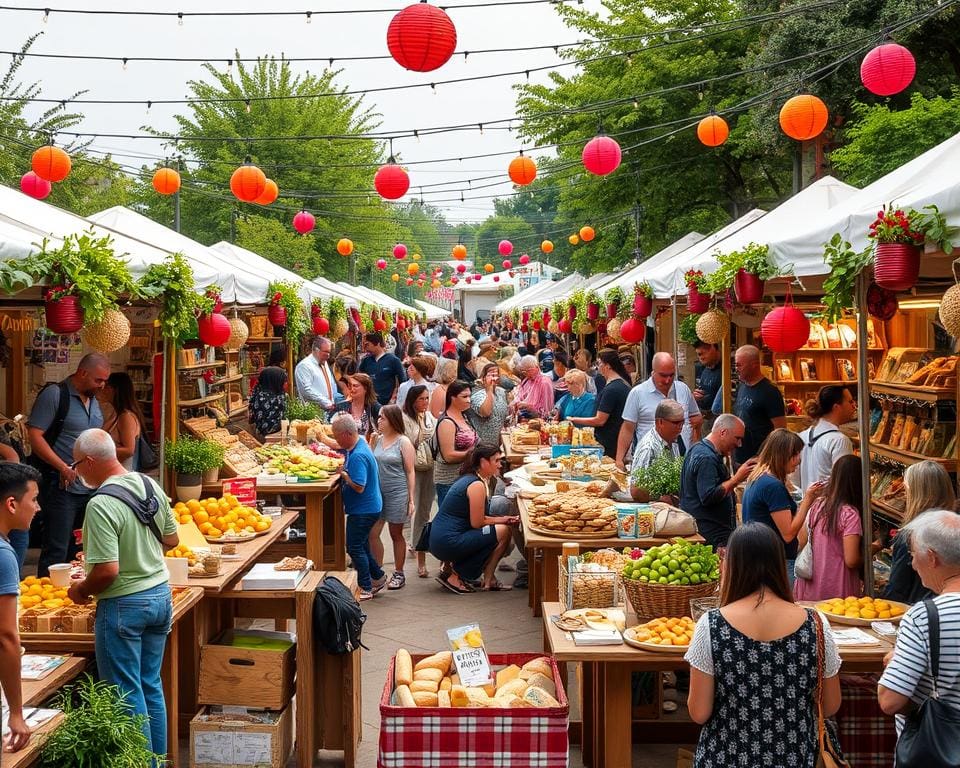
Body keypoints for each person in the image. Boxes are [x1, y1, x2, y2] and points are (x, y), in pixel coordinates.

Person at [685, 523, 841, 767]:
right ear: (779, 564)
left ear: (732, 565)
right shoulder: (817, 624)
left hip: (725, 757)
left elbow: (699, 712)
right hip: (796, 756)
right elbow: (830, 704)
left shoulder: (711, 624)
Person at [66, 429, 179, 757]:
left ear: (88, 461)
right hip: (160, 594)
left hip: (124, 605)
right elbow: (171, 539)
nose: (78, 473)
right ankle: (156, 762)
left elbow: (107, 571)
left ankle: (139, 763)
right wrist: (138, 548)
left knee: (126, 692)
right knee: (149, 685)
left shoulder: (100, 503)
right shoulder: (147, 483)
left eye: (77, 465)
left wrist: (81, 590)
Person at [27, 353, 110, 576]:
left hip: (89, 488)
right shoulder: (56, 395)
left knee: (81, 550)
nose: (102, 386)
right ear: (82, 373)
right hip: (60, 486)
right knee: (57, 549)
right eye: (98, 380)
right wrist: (62, 466)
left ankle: (74, 599)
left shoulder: (92, 399)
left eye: (105, 381)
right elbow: (35, 436)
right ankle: (45, 599)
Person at [878, 509, 960, 728]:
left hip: (940, 748)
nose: (913, 564)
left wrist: (896, 662)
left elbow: (890, 700)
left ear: (932, 558)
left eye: (913, 555)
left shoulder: (924, 616)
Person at [429, 444, 518, 594]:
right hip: (447, 542)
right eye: (496, 460)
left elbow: (478, 520)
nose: (500, 464)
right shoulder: (476, 484)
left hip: (442, 539)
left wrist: (504, 519)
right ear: (483, 462)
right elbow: (477, 522)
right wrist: (504, 520)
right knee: (503, 531)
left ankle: (485, 578)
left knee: (499, 531)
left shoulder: (474, 479)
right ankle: (459, 575)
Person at [0, 462, 42, 754]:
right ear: (12, 503)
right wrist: (16, 712)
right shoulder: (4, 556)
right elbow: (6, 637)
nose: (38, 507)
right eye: (34, 499)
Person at [741, 428, 815, 581]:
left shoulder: (758, 478)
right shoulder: (772, 486)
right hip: (775, 563)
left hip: (760, 558)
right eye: (795, 455)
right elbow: (788, 534)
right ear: (783, 455)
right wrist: (808, 500)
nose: (799, 460)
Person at [885, 460, 957, 604]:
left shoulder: (910, 535)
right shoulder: (955, 528)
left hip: (919, 611)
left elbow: (897, 590)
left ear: (913, 492)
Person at [679, 415, 756, 550]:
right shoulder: (706, 458)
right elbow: (708, 496)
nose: (739, 444)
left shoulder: (698, 449)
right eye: (737, 438)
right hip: (711, 537)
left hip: (708, 533)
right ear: (723, 433)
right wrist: (736, 479)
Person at [331, 413, 386, 601]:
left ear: (346, 434)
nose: (337, 441)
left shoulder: (358, 456)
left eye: (337, 437)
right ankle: (378, 577)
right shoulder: (360, 443)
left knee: (354, 547)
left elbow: (359, 486)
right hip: (369, 507)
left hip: (363, 509)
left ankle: (365, 586)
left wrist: (344, 475)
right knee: (362, 545)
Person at [794, 454, 864, 601]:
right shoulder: (849, 514)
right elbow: (851, 560)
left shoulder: (818, 505)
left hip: (811, 585)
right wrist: (871, 551)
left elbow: (801, 539)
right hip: (837, 587)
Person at [616, 352, 702, 471]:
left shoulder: (683, 389)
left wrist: (695, 444)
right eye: (663, 375)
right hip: (650, 461)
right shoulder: (638, 393)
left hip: (683, 460)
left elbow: (696, 417)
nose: (667, 380)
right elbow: (627, 428)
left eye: (671, 375)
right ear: (653, 372)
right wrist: (619, 459)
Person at [369, 406, 416, 591]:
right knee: (373, 534)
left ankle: (399, 572)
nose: (379, 420)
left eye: (382, 418)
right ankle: (378, 572)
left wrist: (411, 499)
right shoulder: (377, 440)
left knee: (395, 534)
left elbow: (410, 471)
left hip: (398, 492)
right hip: (379, 494)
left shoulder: (403, 441)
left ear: (392, 420)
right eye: (379, 417)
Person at [568, 350, 632, 459]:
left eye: (599, 363)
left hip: (609, 442)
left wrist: (573, 419)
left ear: (607, 366)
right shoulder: (621, 384)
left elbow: (600, 420)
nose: (598, 367)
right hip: (615, 439)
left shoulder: (612, 389)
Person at [402, 385, 437, 579]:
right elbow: (405, 443)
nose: (425, 402)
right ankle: (413, 545)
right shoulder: (405, 418)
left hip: (429, 467)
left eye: (427, 398)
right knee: (410, 509)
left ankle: (418, 549)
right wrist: (418, 438)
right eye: (421, 399)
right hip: (412, 469)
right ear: (412, 400)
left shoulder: (430, 416)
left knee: (424, 510)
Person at [732, 345, 786, 466]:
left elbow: (780, 430)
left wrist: (768, 457)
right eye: (736, 365)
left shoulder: (769, 392)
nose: (736, 369)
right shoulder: (742, 387)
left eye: (739, 365)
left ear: (754, 364)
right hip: (739, 457)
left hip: (759, 460)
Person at [795, 385, 856, 492]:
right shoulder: (840, 441)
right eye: (850, 402)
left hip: (807, 506)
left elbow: (795, 481)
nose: (854, 405)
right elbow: (844, 484)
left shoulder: (802, 436)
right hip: (829, 507)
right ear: (837, 407)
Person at [433, 382, 479, 508]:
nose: (469, 400)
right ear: (452, 397)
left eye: (470, 396)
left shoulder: (464, 416)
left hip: (464, 477)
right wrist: (474, 454)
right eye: (464, 397)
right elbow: (448, 455)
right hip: (449, 480)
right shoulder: (447, 422)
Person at [100, 372, 146, 471]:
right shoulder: (116, 414)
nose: (102, 390)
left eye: (106, 386)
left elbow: (129, 450)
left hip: (123, 474)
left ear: (114, 390)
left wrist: (100, 452)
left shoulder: (126, 417)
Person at [630, 399, 685, 481]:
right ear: (660, 422)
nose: (680, 426)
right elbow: (636, 487)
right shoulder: (648, 448)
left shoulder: (675, 439)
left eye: (682, 422)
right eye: (676, 423)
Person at [359, 332, 406, 406]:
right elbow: (359, 380)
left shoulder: (393, 360)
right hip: (369, 403)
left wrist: (393, 399)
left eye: (367, 344)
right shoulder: (365, 361)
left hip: (387, 404)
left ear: (377, 343)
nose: (365, 348)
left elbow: (403, 382)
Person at [294, 336, 339, 412]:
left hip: (329, 409)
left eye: (329, 352)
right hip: (314, 412)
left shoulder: (324, 363)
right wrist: (326, 403)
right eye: (325, 352)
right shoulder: (304, 366)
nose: (328, 355)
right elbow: (306, 390)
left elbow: (331, 385)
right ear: (316, 350)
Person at [470, 363, 510, 448]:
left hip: (498, 442)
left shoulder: (501, 392)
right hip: (483, 444)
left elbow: (505, 414)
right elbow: (486, 412)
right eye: (490, 374)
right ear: (483, 377)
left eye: (496, 374)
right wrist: (489, 390)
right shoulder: (477, 394)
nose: (494, 377)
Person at [333, 373, 381, 441]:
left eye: (355, 386)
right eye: (350, 386)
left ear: (365, 388)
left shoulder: (374, 407)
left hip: (368, 448)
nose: (352, 389)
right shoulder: (341, 406)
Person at [248, 366, 288, 440]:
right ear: (274, 381)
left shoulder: (277, 393)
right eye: (283, 381)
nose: (286, 384)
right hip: (267, 437)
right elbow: (266, 428)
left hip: (279, 432)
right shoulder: (262, 399)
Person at [510, 355, 554, 421]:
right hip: (524, 418)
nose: (527, 374)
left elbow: (546, 412)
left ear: (537, 368)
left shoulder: (544, 382)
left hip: (539, 421)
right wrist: (515, 403)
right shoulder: (527, 380)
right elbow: (519, 396)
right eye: (524, 372)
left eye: (529, 371)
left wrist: (530, 407)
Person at [693, 341, 722, 427]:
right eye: (698, 355)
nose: (700, 358)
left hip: (717, 422)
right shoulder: (705, 369)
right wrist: (694, 397)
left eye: (702, 354)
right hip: (703, 419)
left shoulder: (725, 371)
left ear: (712, 347)